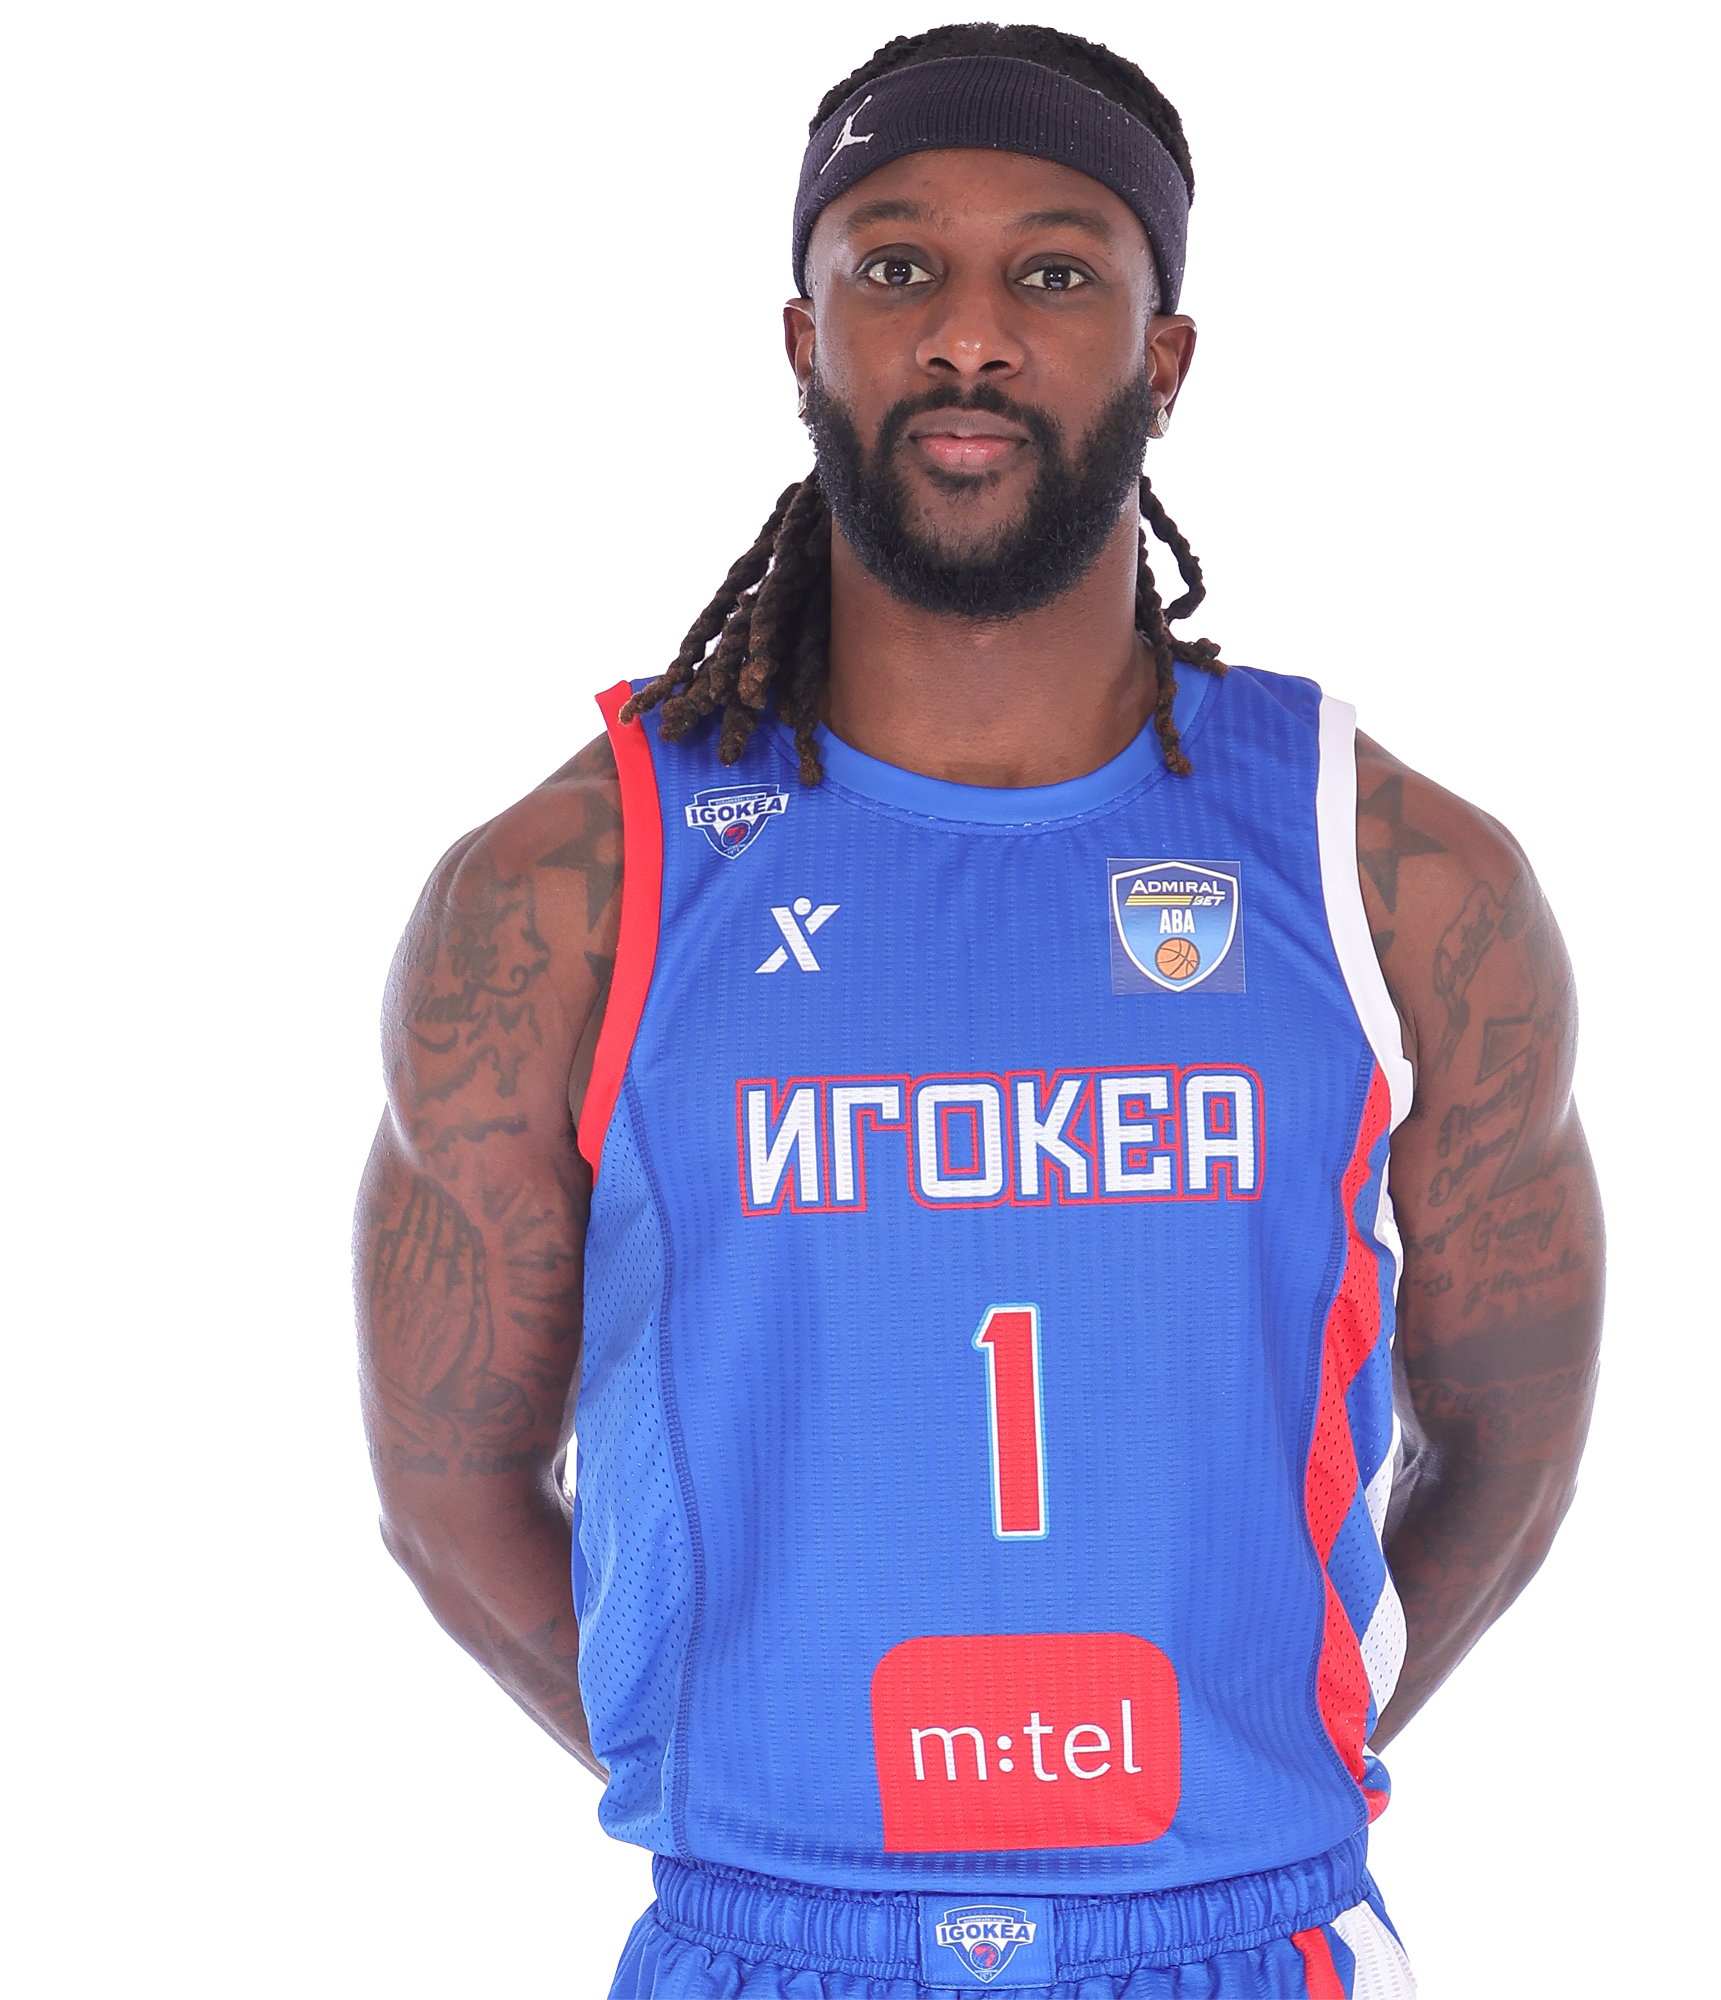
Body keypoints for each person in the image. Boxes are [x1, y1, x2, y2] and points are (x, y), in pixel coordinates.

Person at [355, 22, 1603, 1998]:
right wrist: (761, 1814)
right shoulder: (567, 891)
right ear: (805, 342)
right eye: (895, 265)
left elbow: (1513, 1444)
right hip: (767, 1938)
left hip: (1229, 1930)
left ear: (1162, 359)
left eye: (1053, 271)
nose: (966, 333)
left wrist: (1253, 1788)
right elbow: (445, 1485)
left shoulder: (1394, 875)